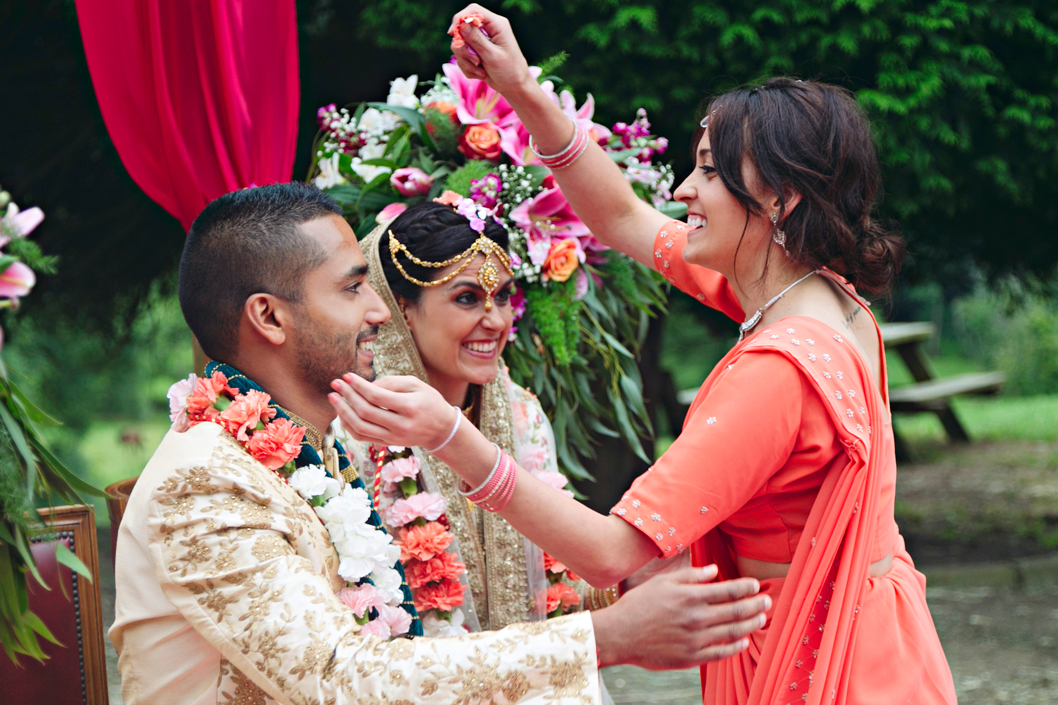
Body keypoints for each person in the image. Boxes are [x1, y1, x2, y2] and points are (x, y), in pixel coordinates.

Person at [328, 7, 959, 704]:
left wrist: (451, 436)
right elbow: (622, 217)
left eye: (710, 173)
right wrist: (523, 89)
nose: (684, 191)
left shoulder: (777, 372)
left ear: (780, 198)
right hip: (884, 636)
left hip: (817, 652)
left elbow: (609, 552)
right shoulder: (820, 298)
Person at [109, 182, 772, 705]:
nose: (377, 310)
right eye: (352, 286)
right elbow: (342, 676)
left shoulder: (315, 454)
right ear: (269, 316)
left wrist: (629, 587)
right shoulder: (207, 479)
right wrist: (605, 637)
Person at [334, 199, 598, 637]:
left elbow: (555, 579)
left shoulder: (523, 414)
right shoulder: (361, 429)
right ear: (403, 310)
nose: (494, 321)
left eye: (502, 297)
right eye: (467, 298)